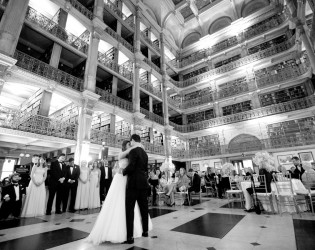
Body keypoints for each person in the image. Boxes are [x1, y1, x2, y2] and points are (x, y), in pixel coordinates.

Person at [86, 139, 152, 245]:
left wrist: (136, 147)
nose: (129, 145)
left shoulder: (133, 152)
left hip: (130, 180)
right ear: (124, 146)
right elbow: (121, 159)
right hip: (121, 179)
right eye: (128, 144)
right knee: (121, 203)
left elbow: (134, 165)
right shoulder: (125, 152)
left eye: (130, 144)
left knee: (132, 207)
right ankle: (126, 232)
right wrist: (135, 147)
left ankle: (134, 232)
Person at [123, 134, 151, 244]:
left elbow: (131, 166)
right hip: (143, 183)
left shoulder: (133, 151)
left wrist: (123, 171)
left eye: (131, 142)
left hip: (133, 183)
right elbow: (145, 169)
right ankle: (145, 231)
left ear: (133, 141)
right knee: (144, 209)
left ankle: (130, 237)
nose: (130, 144)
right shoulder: (145, 153)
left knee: (129, 210)